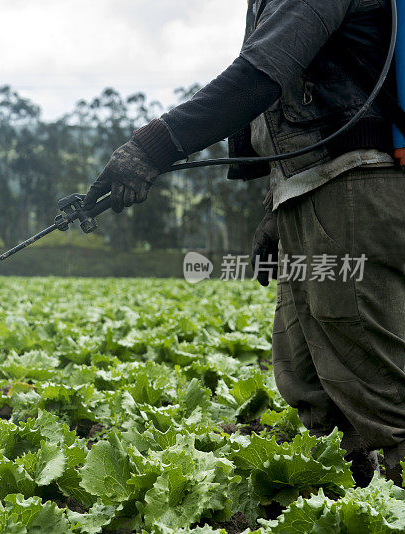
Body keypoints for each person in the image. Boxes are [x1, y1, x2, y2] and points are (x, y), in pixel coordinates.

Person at [84, 0, 405, 487]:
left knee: (378, 387)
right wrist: (276, 207)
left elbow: (260, 75)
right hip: (310, 188)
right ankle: (354, 503)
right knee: (310, 381)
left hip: (354, 187)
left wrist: (153, 147)